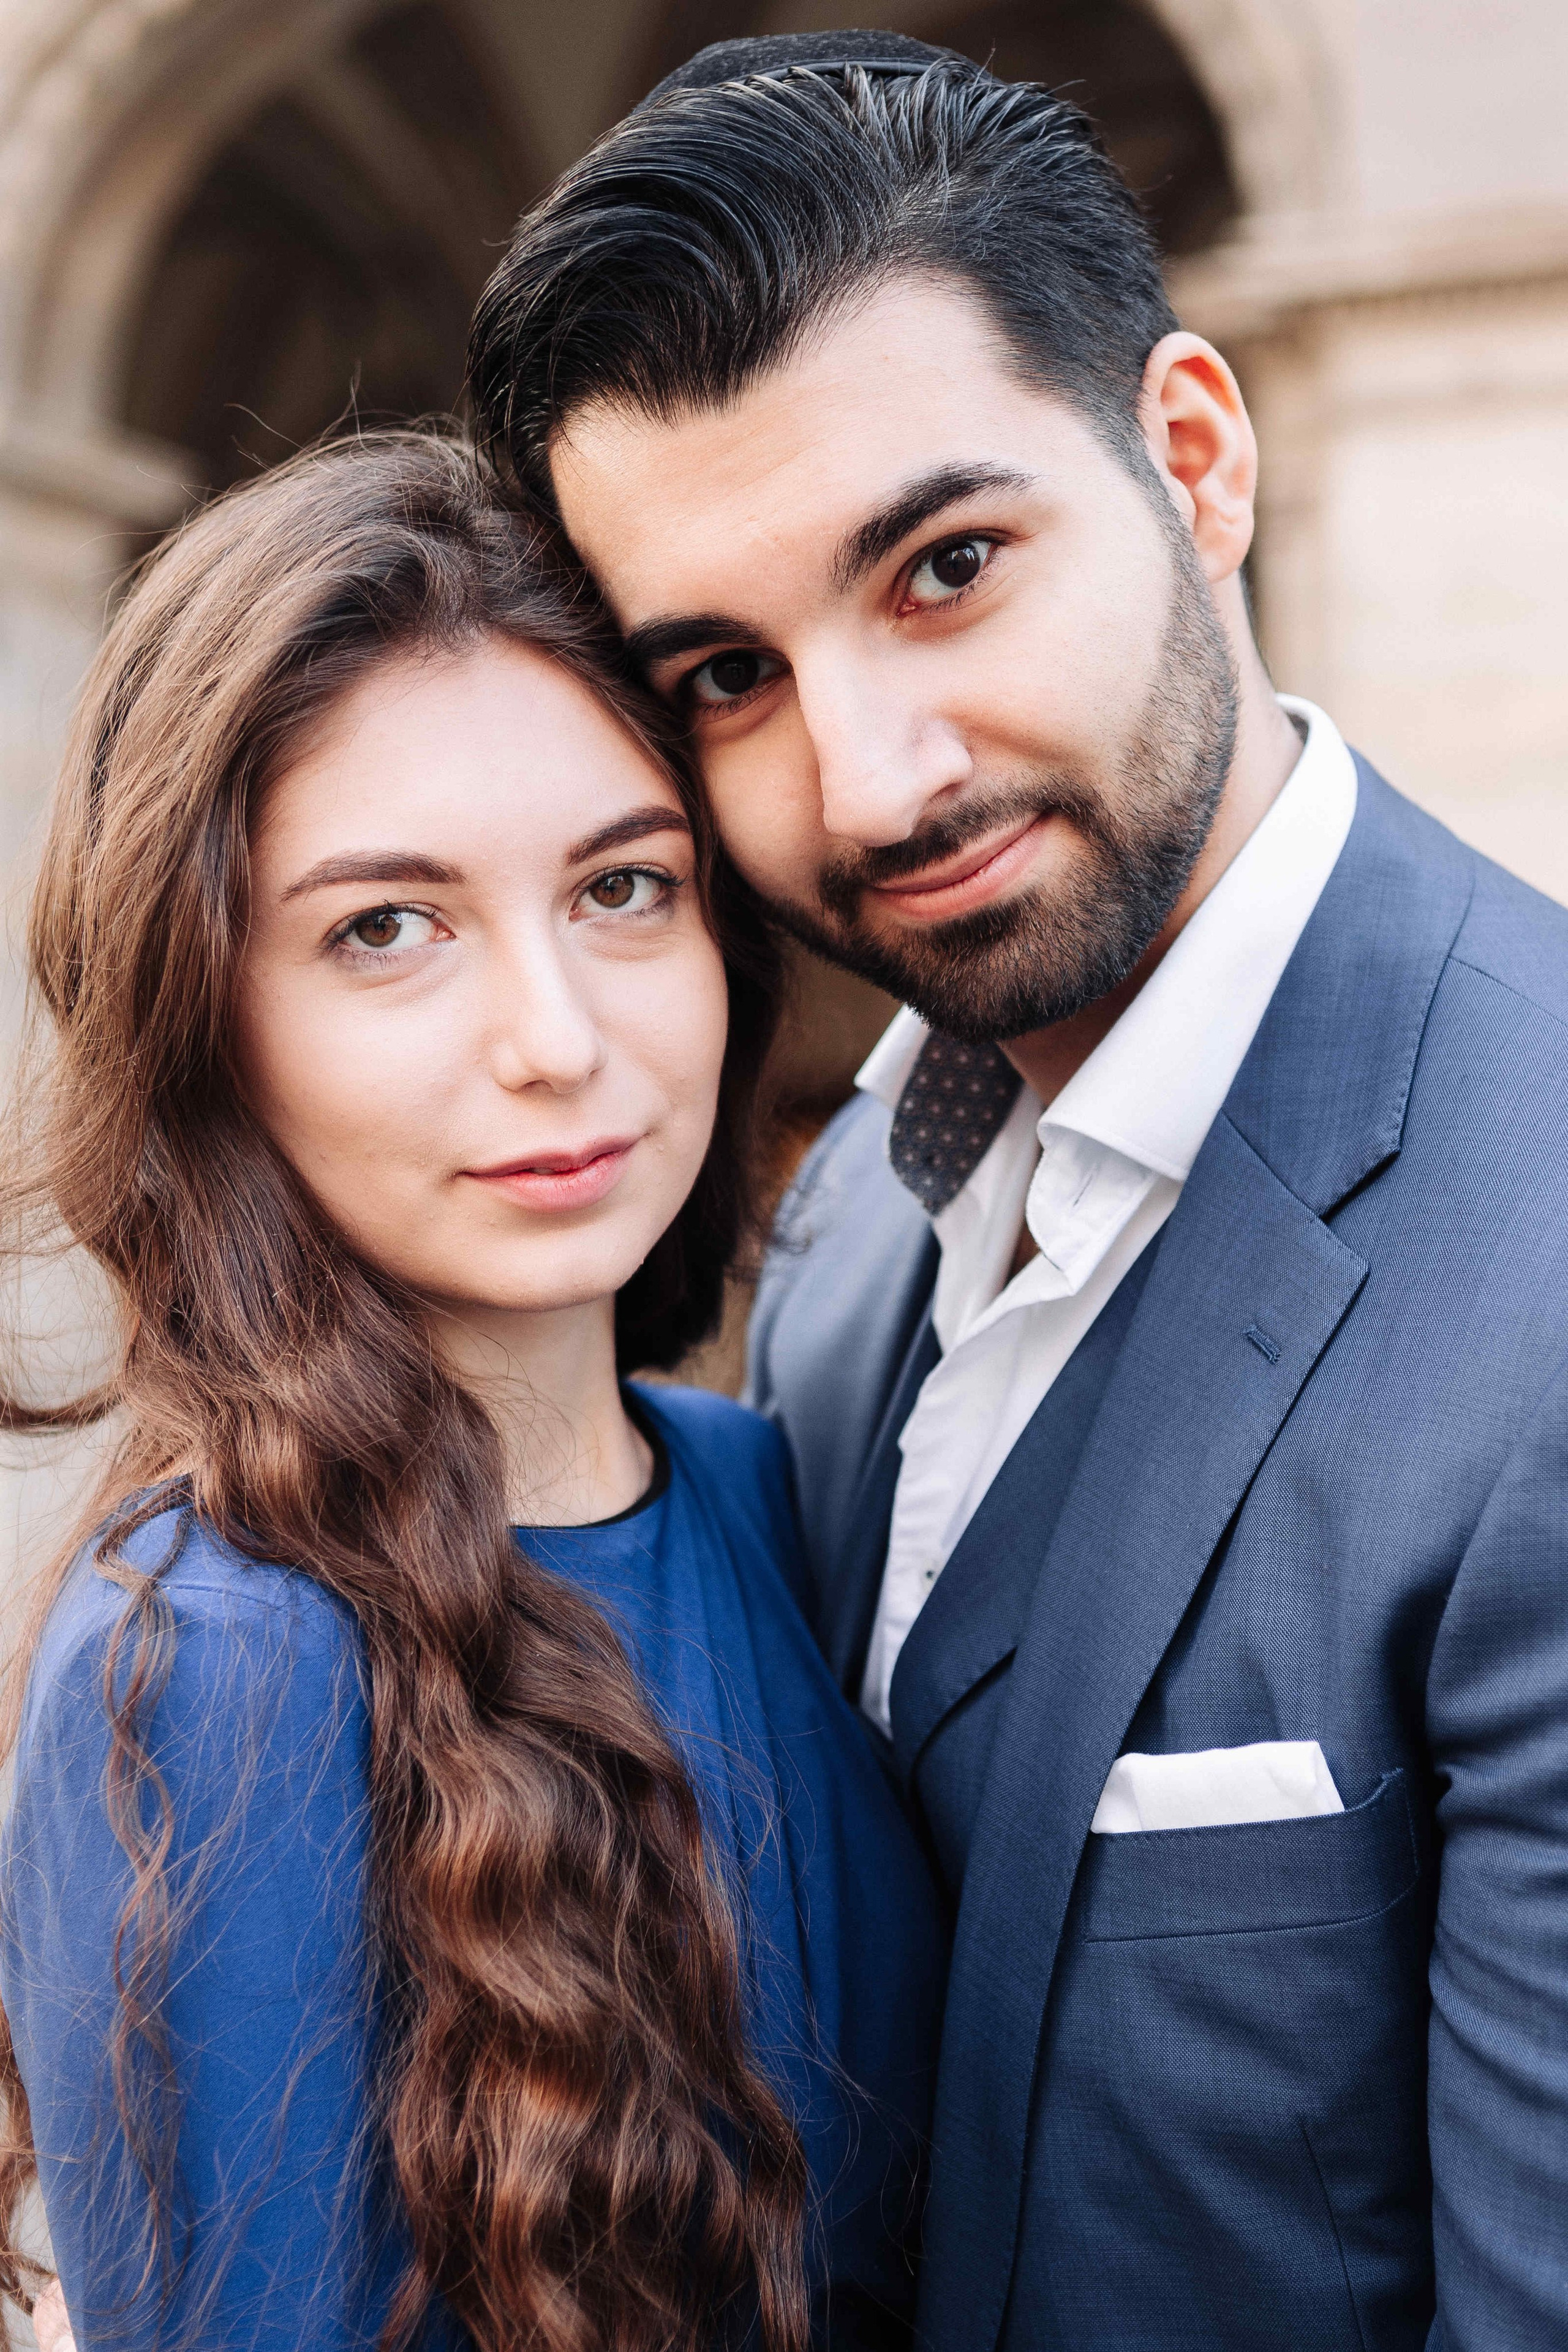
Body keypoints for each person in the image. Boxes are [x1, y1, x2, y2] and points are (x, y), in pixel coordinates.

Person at [467, 29, 1568, 2350]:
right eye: (728, 674)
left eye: (947, 567)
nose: (871, 780)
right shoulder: (863, 1201)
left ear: (1194, 455)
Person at [0, 432, 944, 2352]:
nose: (556, 1039)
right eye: (386, 929)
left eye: (622, 889)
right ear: (211, 1020)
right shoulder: (221, 1657)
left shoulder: (775, 1487)